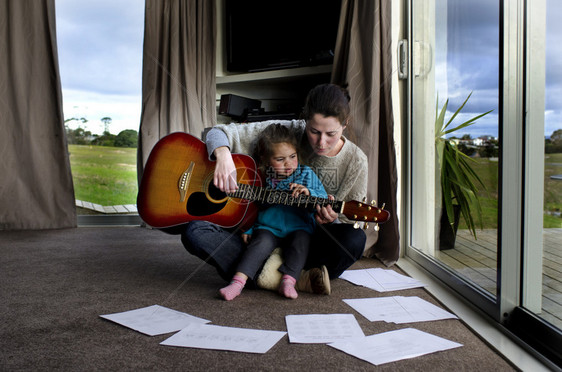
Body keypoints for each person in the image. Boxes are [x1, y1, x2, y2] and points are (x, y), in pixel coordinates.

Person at [181, 83, 368, 293]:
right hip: (262, 232)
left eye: (330, 133)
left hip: (306, 237)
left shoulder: (356, 162)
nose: (321, 142)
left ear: (345, 124)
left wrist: (328, 218)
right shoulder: (284, 131)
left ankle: (260, 273)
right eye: (314, 131)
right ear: (304, 120)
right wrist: (223, 157)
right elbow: (216, 132)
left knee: (355, 239)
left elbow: (346, 221)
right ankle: (295, 277)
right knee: (194, 232)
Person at [219, 124, 327, 300]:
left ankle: (289, 281)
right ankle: (237, 283)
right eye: (280, 159)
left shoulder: (306, 174)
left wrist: (309, 193)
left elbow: (322, 198)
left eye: (293, 156)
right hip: (268, 226)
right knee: (259, 242)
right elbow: (252, 207)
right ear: (266, 160)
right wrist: (248, 228)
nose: (288, 164)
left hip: (298, 226)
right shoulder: (262, 178)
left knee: (302, 241)